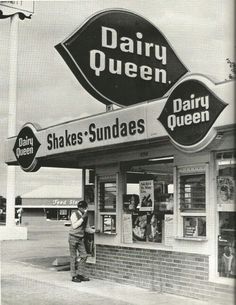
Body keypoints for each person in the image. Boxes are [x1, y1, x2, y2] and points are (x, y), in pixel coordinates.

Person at [68, 200, 95, 283]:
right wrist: (83, 218)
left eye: (85, 208)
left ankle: (80, 274)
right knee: (73, 257)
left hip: (80, 238)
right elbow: (75, 225)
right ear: (79, 208)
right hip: (73, 237)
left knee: (84, 255)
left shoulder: (85, 216)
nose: (84, 210)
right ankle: (73, 275)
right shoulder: (74, 214)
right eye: (83, 208)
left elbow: (87, 228)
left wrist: (94, 231)